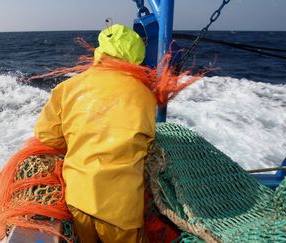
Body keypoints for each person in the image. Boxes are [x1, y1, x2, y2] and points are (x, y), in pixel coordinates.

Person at [34, 24, 199, 242]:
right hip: (121, 209)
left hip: (78, 200)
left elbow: (47, 136)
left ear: (100, 51)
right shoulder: (145, 95)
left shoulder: (67, 87)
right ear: (136, 56)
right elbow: (148, 142)